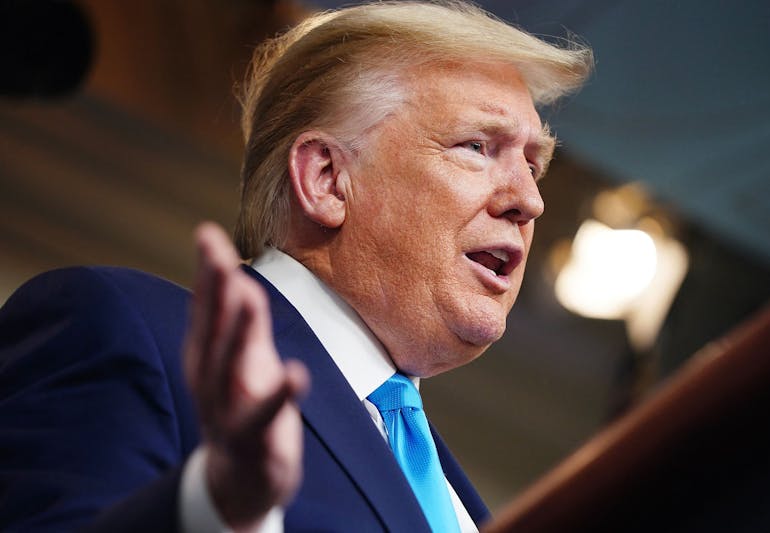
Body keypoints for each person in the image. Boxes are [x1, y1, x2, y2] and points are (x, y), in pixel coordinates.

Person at [0, 1, 592, 531]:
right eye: (477, 147)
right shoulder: (128, 328)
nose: (529, 200)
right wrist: (214, 510)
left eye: (534, 165)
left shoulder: (463, 501)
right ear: (328, 180)